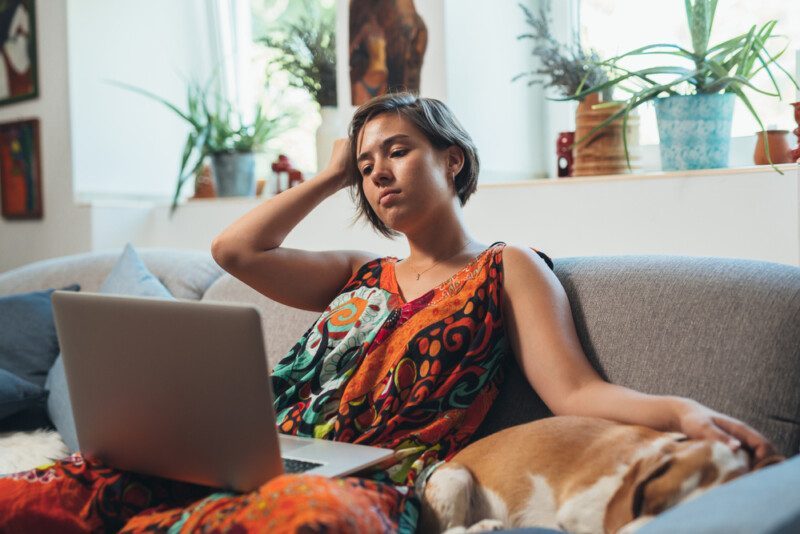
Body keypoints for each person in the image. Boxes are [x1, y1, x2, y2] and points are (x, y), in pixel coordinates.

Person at [0, 93, 777, 532]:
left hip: (375, 483)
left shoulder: (506, 268)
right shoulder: (356, 273)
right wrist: (332, 172)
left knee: (302, 519)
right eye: (366, 168)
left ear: (454, 158)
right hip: (250, 451)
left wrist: (679, 409)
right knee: (34, 496)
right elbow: (234, 251)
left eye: (397, 152)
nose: (379, 176)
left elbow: (574, 392)